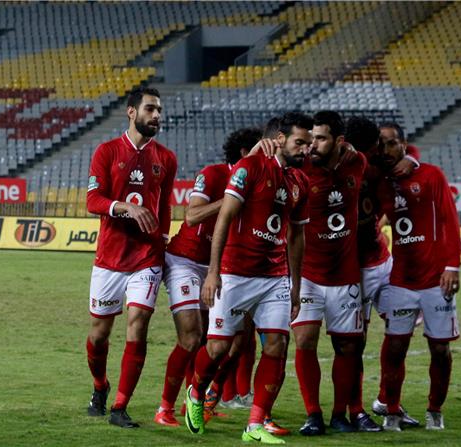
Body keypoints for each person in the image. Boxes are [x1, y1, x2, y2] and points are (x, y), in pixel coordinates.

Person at [185, 112, 312, 445]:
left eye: (309, 144)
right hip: (234, 272)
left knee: (277, 344)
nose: (305, 150)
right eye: (300, 142)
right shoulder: (248, 168)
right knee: (218, 347)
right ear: (279, 139)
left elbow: (297, 236)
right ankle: (196, 392)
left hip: (274, 277)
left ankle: (255, 423)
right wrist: (213, 272)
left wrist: (295, 285)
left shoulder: (301, 181)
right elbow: (224, 218)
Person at [153, 127, 260, 427]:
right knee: (190, 336)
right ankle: (165, 408)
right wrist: (230, 199)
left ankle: (202, 400)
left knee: (228, 342)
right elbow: (191, 216)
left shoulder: (259, 180)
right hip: (185, 261)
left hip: (220, 267)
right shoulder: (213, 174)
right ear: (244, 153)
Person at [84, 87, 177, 428]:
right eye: (150, 109)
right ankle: (100, 386)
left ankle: (120, 408)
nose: (157, 116)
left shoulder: (165, 158)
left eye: (159, 111)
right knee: (99, 334)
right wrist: (125, 207)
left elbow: (165, 203)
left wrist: (163, 235)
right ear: (131, 112)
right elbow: (93, 201)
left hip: (146, 257)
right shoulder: (107, 151)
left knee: (138, 324)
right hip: (110, 257)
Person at [288, 111, 372, 435]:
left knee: (348, 347)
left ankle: (340, 414)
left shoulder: (356, 163)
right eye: (311, 138)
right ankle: (313, 414)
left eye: (321, 138)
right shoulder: (300, 167)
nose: (313, 145)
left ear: (339, 140)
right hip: (308, 273)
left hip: (345, 275)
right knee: (305, 340)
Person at [376, 122, 461, 431]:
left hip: (436, 278)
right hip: (401, 278)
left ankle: (435, 408)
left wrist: (452, 265)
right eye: (381, 145)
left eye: (392, 144)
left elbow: (450, 220)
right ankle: (393, 409)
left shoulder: (431, 175)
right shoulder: (380, 180)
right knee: (395, 346)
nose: (386, 150)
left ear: (404, 144)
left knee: (440, 348)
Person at [344, 117, 420, 429]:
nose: (376, 151)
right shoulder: (337, 165)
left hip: (383, 261)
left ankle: (389, 402)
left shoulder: (377, 159)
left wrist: (412, 157)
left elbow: (404, 149)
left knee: (401, 331)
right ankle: (357, 409)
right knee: (355, 343)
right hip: (350, 269)